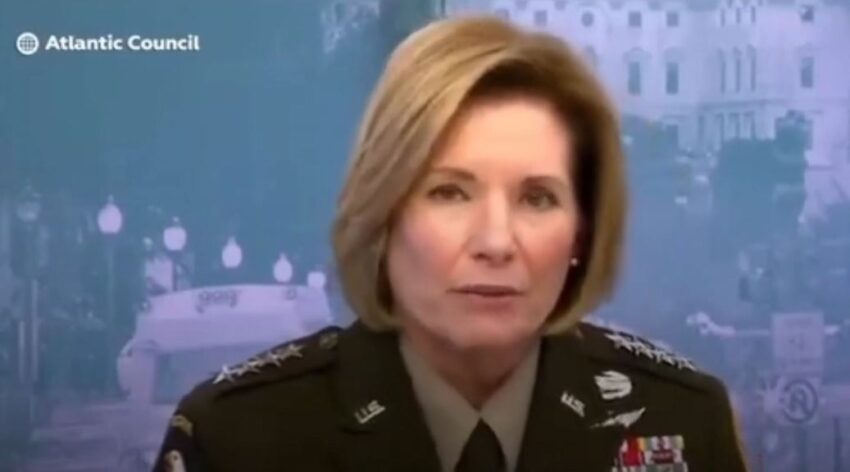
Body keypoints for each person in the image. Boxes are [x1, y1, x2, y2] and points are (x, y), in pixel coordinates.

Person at [154, 16, 749, 472]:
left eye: (537, 198)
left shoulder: (683, 420)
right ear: (383, 213)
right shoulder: (234, 438)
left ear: (582, 232)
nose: (495, 242)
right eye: (449, 193)